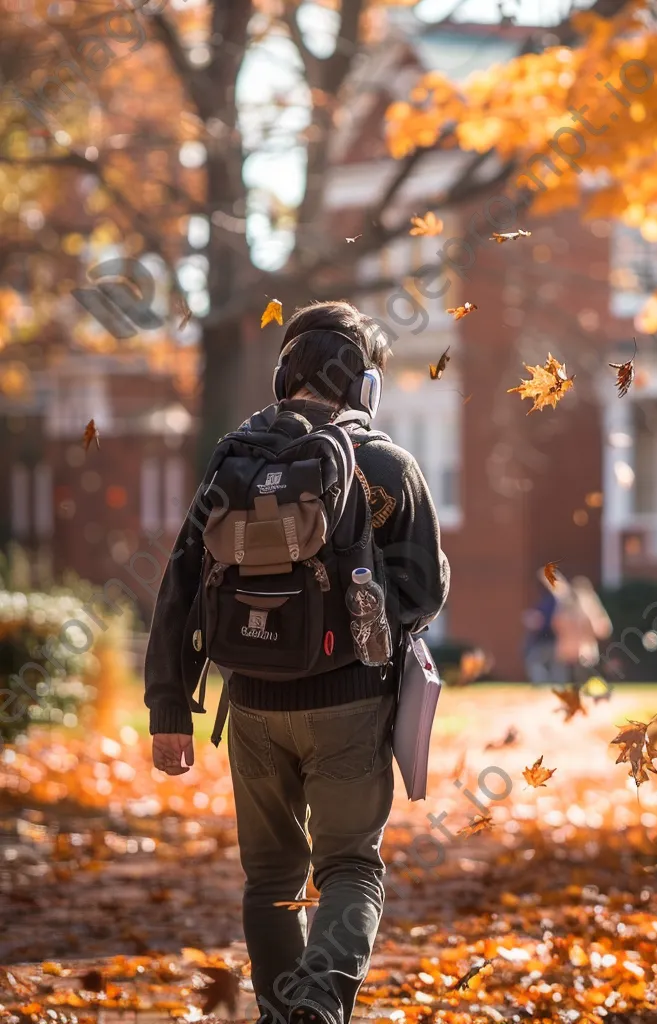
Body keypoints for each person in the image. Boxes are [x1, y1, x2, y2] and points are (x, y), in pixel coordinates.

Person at [143, 300, 450, 1024]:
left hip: (248, 704)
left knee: (271, 876)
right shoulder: (385, 465)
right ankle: (320, 998)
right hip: (349, 700)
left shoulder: (233, 459)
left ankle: (284, 1014)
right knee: (348, 867)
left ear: (285, 376)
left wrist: (168, 708)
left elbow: (180, 585)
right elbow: (426, 588)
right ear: (365, 388)